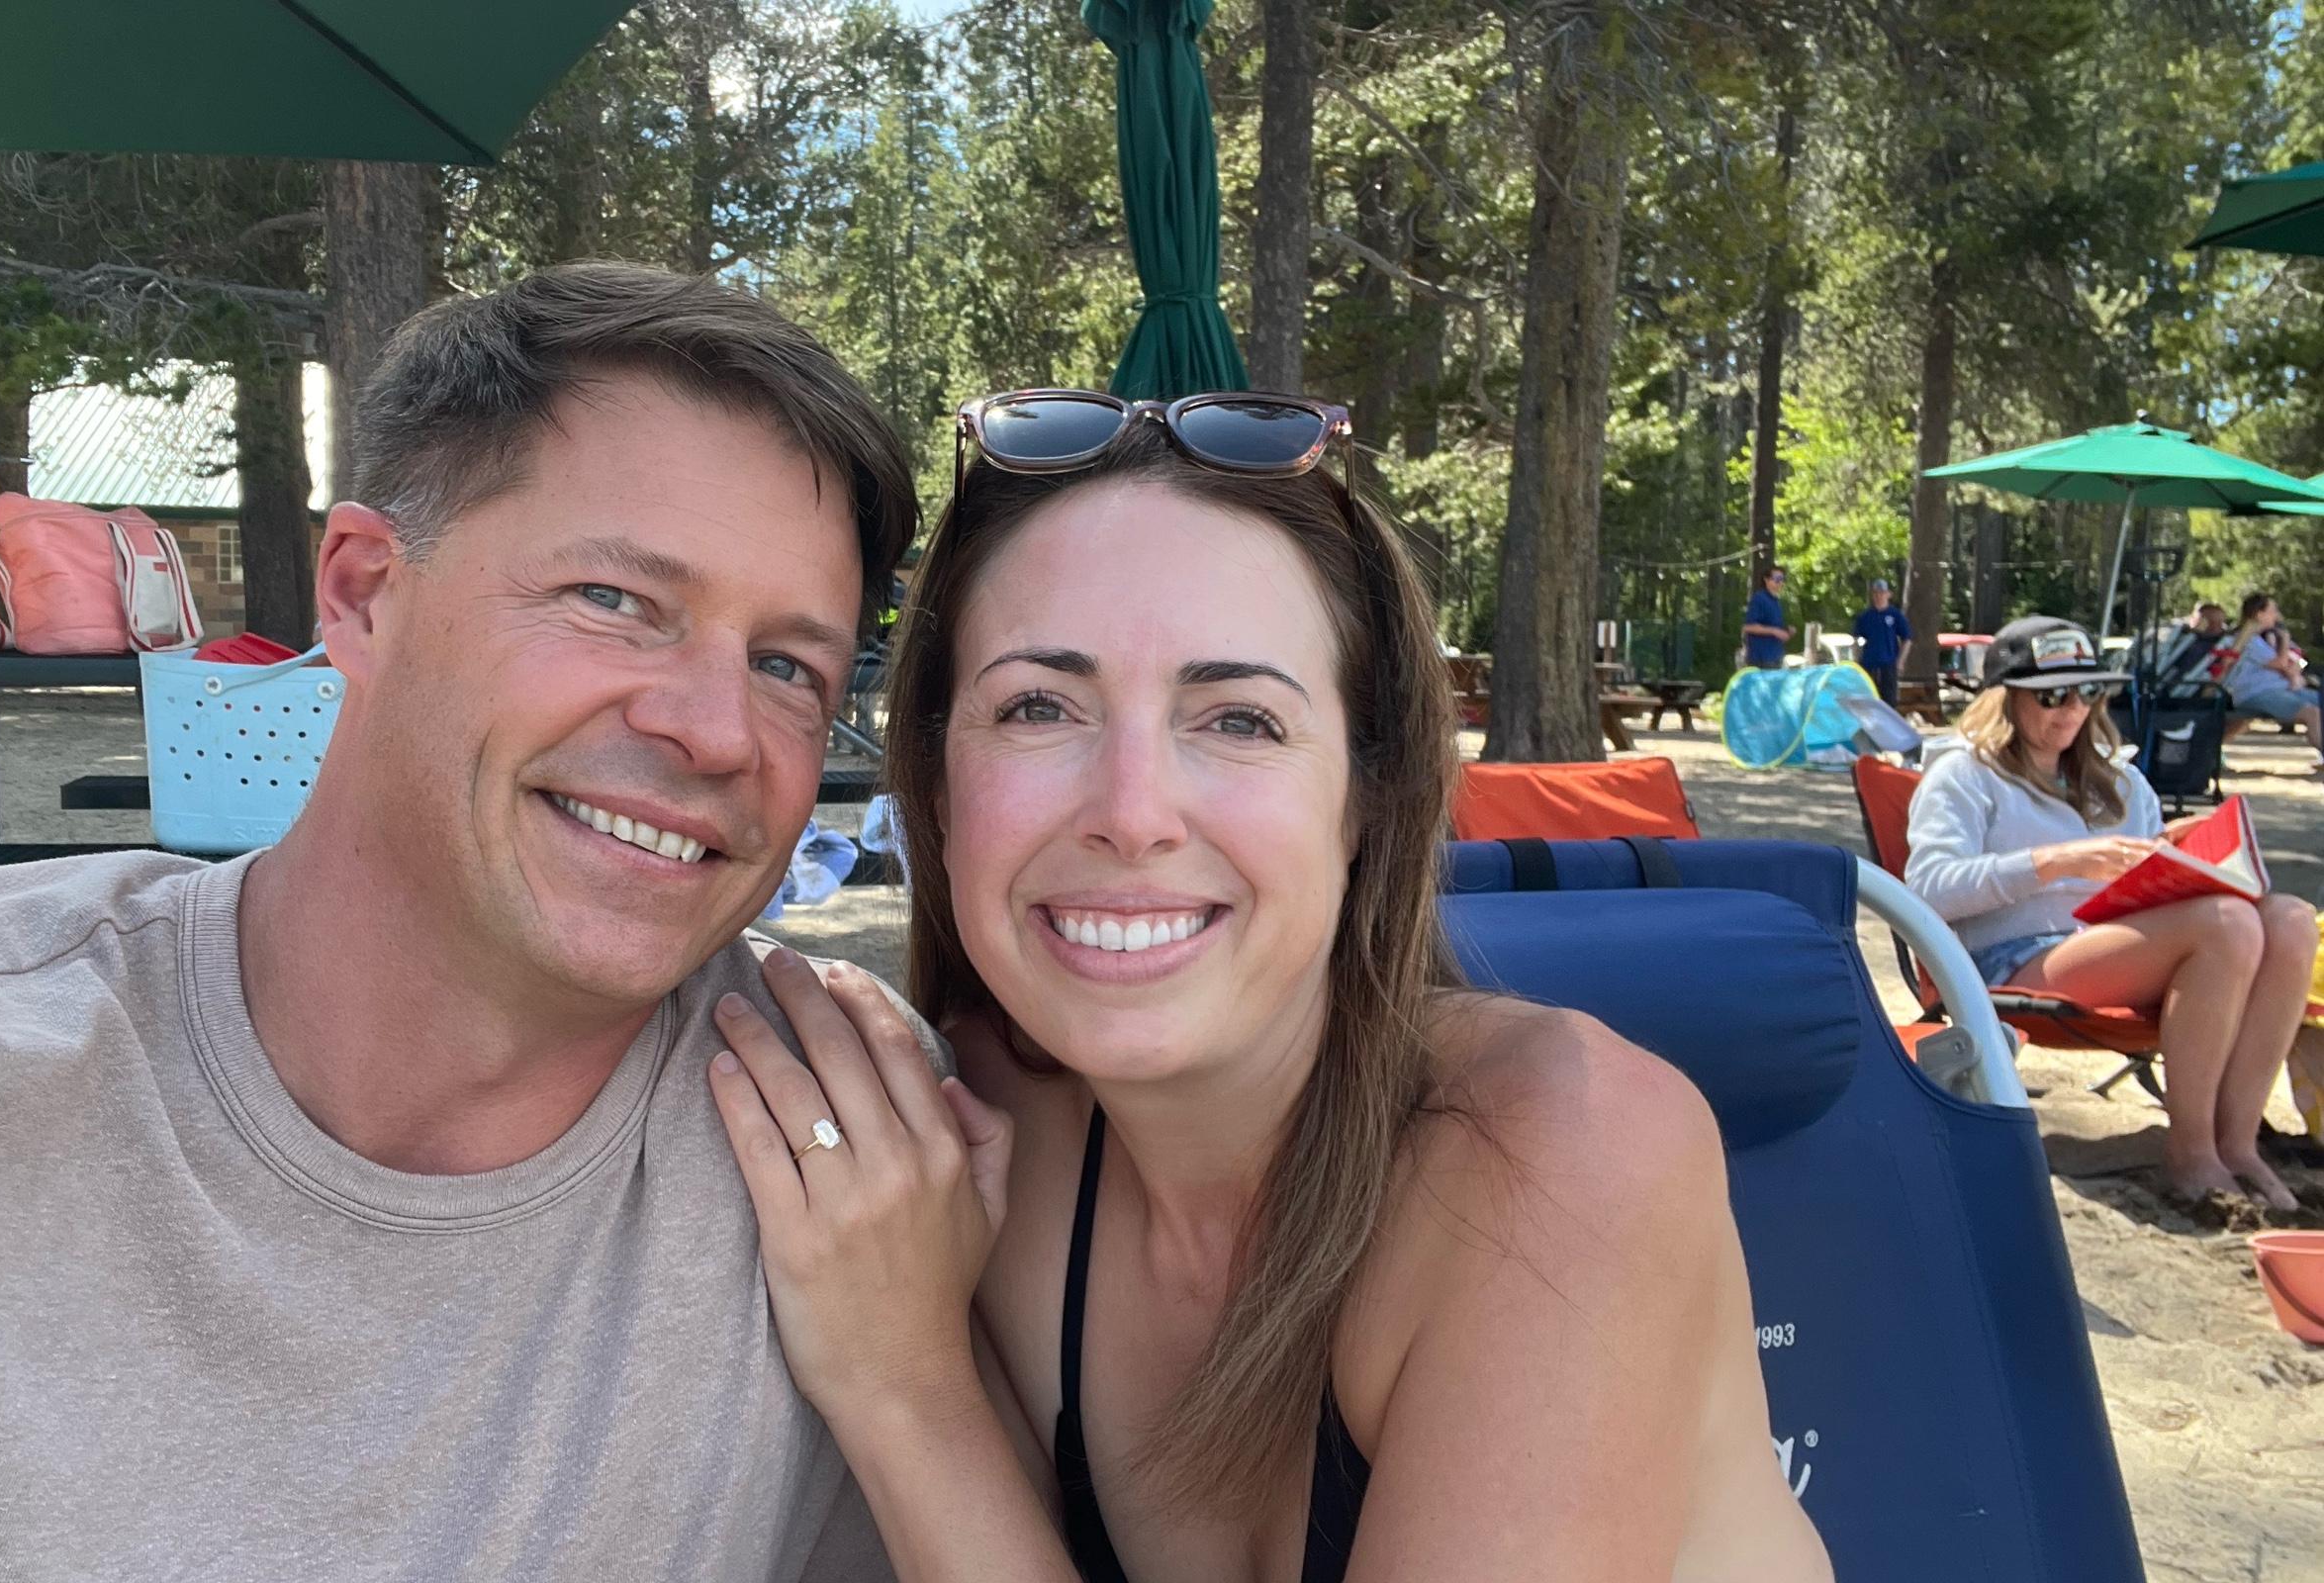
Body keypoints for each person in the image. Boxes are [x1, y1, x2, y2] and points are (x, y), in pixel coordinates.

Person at [0, 264, 930, 1578]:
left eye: (786, 666)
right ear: (361, 592)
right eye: (616, 601)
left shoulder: (865, 1144)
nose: (715, 730)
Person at [704, 395, 1831, 1580]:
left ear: (1364, 801)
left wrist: (903, 1384)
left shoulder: (1562, 1153)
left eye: (1238, 719)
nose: (1131, 812)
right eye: (1038, 706)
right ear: (936, 788)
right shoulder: (976, 1136)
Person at [1906, 615, 2319, 1209]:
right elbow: (1928, 889)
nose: (2073, 708)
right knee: (2225, 925)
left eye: (2088, 690)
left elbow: (2146, 882)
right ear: (2005, 698)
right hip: (2012, 959)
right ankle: (2191, 1151)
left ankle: (2237, 1143)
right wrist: (2056, 861)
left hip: (2112, 943)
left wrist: (2181, 856)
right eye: (2052, 695)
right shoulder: (1965, 775)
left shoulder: (2119, 779)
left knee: (2289, 920)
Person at [2222, 592, 2324, 766]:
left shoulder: (2271, 635)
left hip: (2284, 688)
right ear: (2259, 614)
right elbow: (2280, 663)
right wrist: (2285, 641)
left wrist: (2296, 668)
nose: (2277, 615)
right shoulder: (2246, 638)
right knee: (2311, 712)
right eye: (2273, 610)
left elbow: (2300, 658)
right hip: (2257, 692)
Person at [1851, 576, 1912, 704]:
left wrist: (1900, 662)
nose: (1879, 596)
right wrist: (1857, 659)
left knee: (1889, 700)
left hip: (1888, 664)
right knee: (1869, 700)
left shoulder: (1895, 615)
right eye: (1876, 593)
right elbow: (1856, 639)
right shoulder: (1865, 617)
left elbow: (1907, 638)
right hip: (1868, 664)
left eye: (1882, 593)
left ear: (1888, 594)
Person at [1741, 563, 1792, 669]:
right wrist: (1774, 631)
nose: (1780, 582)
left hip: (1776, 656)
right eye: (1777, 579)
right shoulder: (1759, 598)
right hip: (1761, 659)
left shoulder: (1776, 601)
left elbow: (1774, 628)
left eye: (1782, 579)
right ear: (1766, 580)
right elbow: (1748, 627)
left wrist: (1786, 632)